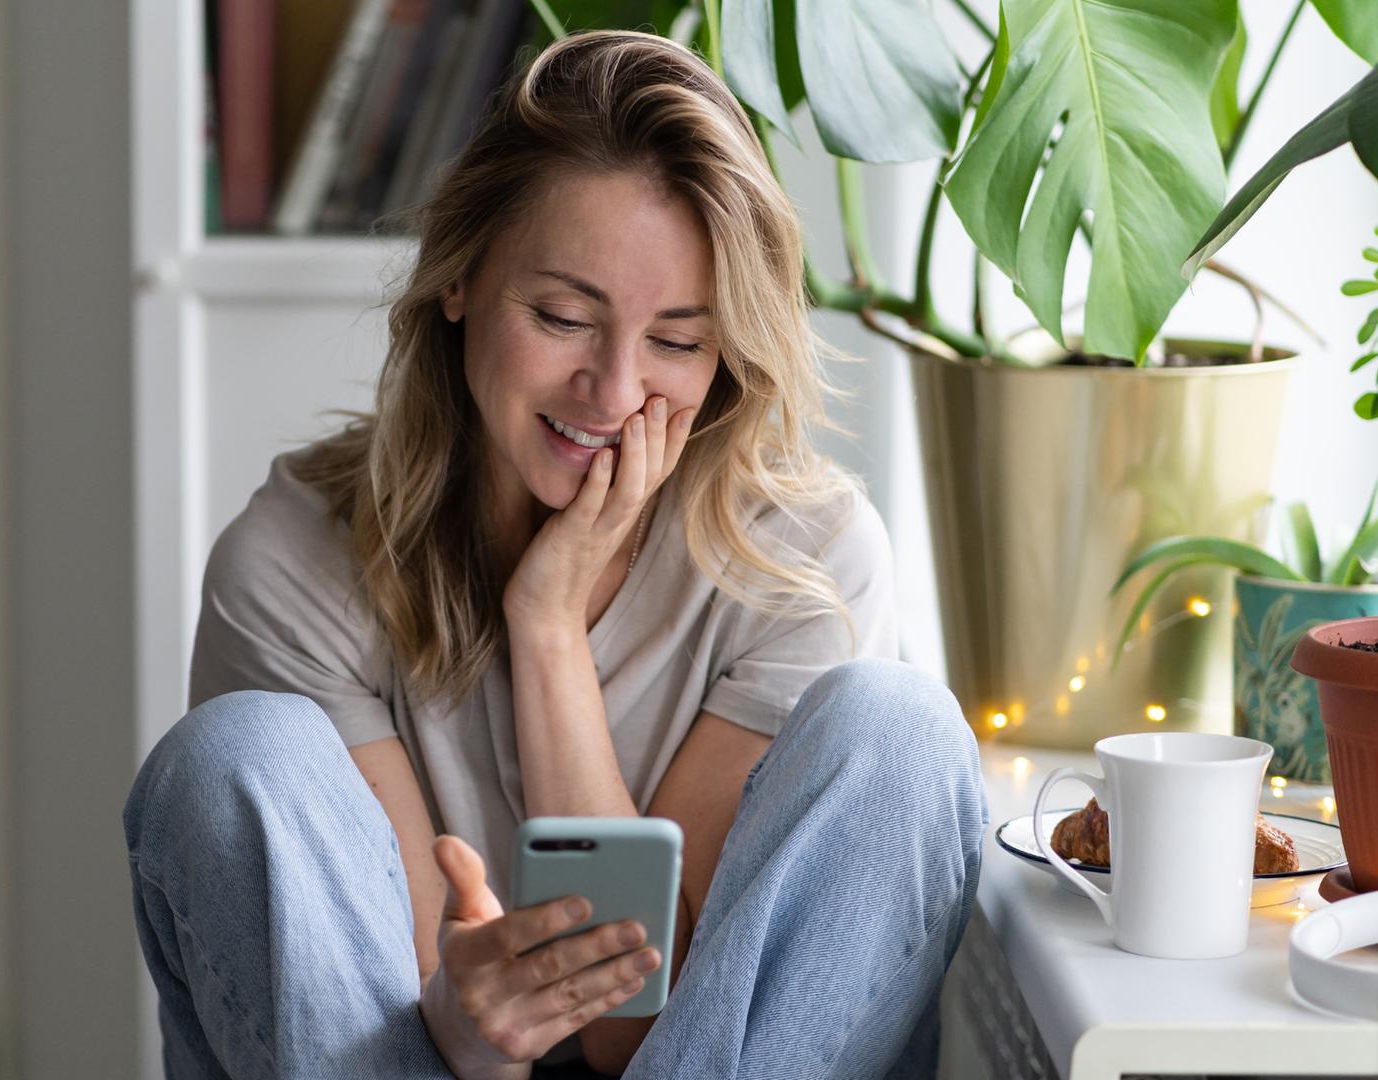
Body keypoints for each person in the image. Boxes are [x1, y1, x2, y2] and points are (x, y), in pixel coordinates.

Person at [125, 29, 986, 1080]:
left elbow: (633, 1028)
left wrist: (547, 628)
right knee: (233, 758)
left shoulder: (804, 556)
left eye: (677, 342)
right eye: (564, 317)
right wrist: (472, 1019)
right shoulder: (295, 559)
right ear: (459, 281)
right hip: (423, 1066)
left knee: (900, 732)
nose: (616, 393)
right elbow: (391, 1016)